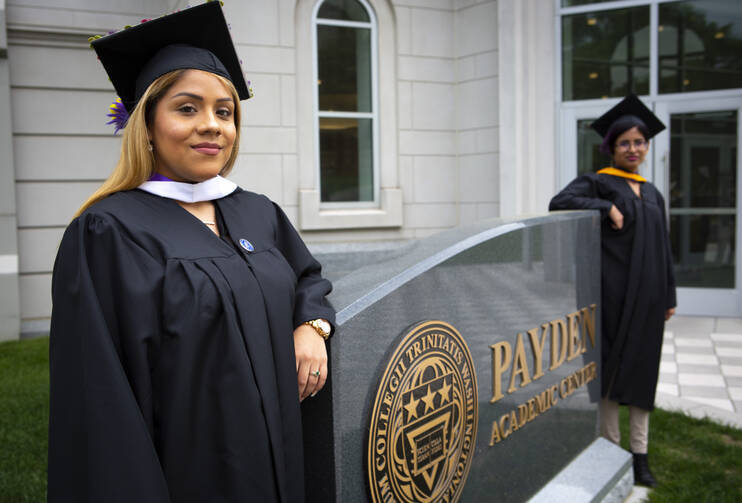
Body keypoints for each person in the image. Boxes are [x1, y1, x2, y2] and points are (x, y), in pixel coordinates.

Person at [47, 3, 335, 501]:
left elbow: (307, 277)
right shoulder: (108, 232)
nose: (212, 125)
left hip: (279, 463)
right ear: (148, 126)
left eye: (224, 112)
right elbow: (100, 398)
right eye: (187, 108)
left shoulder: (256, 212)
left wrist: (311, 326)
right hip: (189, 471)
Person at [549, 95, 676, 488]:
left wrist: (669, 297)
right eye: (625, 143)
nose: (633, 149)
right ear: (612, 148)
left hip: (650, 300)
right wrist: (605, 208)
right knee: (609, 372)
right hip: (612, 295)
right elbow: (559, 202)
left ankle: (639, 457)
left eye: (639, 142)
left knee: (641, 376)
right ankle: (610, 448)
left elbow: (664, 247)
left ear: (647, 146)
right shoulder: (599, 182)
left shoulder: (653, 192)